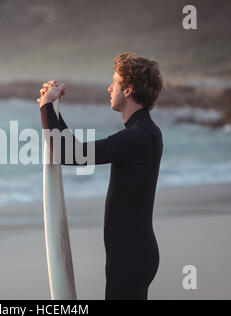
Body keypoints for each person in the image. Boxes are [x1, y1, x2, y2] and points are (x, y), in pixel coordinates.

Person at [37, 53, 163, 300]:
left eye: (114, 82)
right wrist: (52, 109)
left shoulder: (137, 137)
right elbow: (71, 149)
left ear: (127, 90)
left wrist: (45, 107)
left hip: (131, 256)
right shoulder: (144, 132)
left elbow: (68, 153)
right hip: (132, 252)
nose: (109, 88)